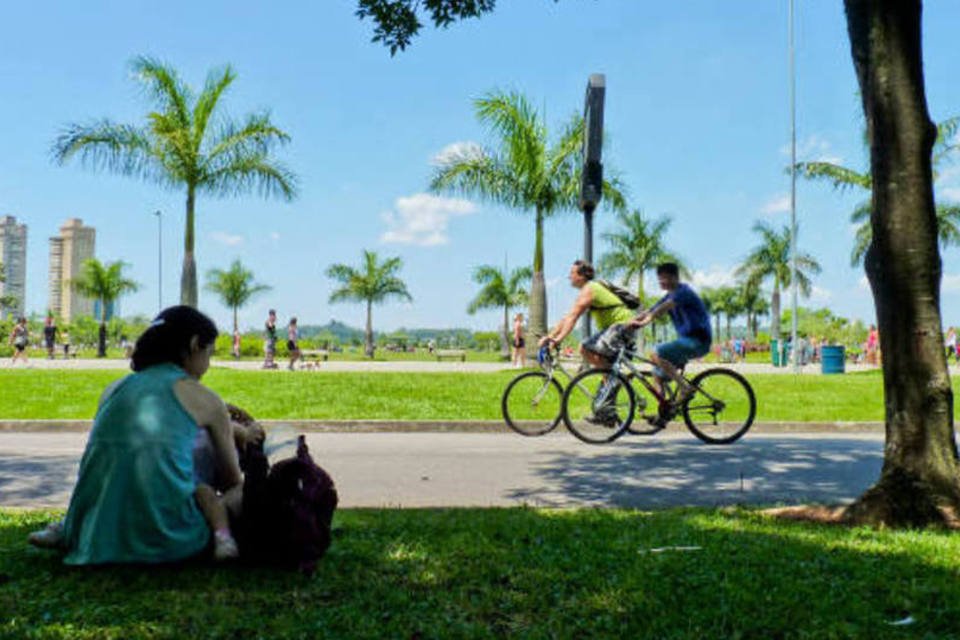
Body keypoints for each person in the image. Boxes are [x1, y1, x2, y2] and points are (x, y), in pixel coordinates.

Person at [28, 306, 263, 564]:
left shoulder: (113, 390)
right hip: (170, 540)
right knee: (247, 490)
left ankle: (65, 528)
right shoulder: (207, 400)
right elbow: (231, 481)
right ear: (196, 344)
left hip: (92, 536)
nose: (208, 364)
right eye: (209, 353)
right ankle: (222, 538)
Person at [630, 263, 712, 409]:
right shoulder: (670, 295)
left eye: (665, 279)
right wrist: (631, 322)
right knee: (656, 373)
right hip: (686, 341)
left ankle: (684, 387)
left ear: (675, 278)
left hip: (698, 341)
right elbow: (651, 309)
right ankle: (663, 410)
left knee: (656, 352)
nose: (661, 282)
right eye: (660, 279)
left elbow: (663, 308)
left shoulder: (683, 292)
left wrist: (647, 321)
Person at [539, 260, 636, 369]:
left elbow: (573, 317)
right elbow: (567, 317)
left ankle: (617, 377)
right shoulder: (588, 289)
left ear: (581, 276)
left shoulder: (589, 289)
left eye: (572, 273)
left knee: (585, 348)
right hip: (617, 326)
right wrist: (550, 336)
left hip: (621, 325)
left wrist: (558, 339)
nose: (569, 276)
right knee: (598, 357)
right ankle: (611, 380)